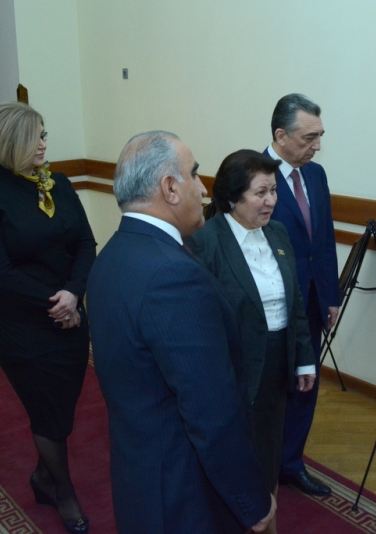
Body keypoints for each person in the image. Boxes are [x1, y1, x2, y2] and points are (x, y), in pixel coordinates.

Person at [86, 132, 275, 533]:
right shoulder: (172, 275)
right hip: (186, 495)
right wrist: (251, 500)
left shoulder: (112, 255)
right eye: (194, 174)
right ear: (170, 187)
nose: (203, 188)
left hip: (140, 478)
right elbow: (210, 410)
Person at [0, 102, 95, 533]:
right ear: (10, 143)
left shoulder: (59, 184)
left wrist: (73, 293)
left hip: (70, 316)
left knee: (62, 405)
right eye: (34, 136)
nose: (43, 143)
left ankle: (42, 475)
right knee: (45, 409)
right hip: (19, 326)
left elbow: (86, 244)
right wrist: (56, 303)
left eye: (43, 134)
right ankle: (63, 492)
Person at [187, 149, 316, 534]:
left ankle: (267, 522)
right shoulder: (205, 243)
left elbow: (295, 302)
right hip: (233, 369)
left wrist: (303, 358)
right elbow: (200, 322)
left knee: (268, 454)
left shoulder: (277, 233)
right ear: (232, 197)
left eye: (273, 191)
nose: (271, 201)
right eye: (261, 193)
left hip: (276, 365)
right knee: (233, 456)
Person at [265, 93, 340, 497]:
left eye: (320, 135)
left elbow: (323, 240)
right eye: (310, 137)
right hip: (269, 306)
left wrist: (331, 296)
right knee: (269, 388)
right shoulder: (254, 176)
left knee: (305, 384)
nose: (318, 146)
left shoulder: (316, 175)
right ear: (281, 136)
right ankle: (261, 462)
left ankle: (291, 464)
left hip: (311, 302)